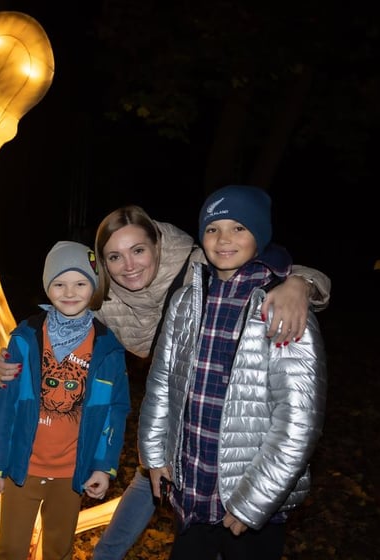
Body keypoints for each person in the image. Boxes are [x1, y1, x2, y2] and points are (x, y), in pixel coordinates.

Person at [0, 202, 331, 559]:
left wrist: (299, 284)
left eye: (138, 250)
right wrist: (7, 361)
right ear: (102, 264)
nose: (129, 266)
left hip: (228, 409)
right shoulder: (102, 298)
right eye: (114, 257)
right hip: (175, 406)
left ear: (157, 245)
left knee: (209, 511)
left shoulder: (198, 264)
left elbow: (265, 261)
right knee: (152, 478)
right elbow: (57, 320)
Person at [139, 184, 327, 559]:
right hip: (192, 490)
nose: (224, 239)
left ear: (260, 235)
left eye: (239, 227)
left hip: (248, 502)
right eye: (213, 229)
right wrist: (154, 454)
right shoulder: (186, 300)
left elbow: (297, 422)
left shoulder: (283, 310)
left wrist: (253, 502)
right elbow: (162, 383)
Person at [0, 241, 131, 560]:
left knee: (59, 549)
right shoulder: (25, 338)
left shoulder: (108, 348)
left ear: (93, 288)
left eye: (80, 284)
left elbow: (115, 413)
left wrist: (103, 467)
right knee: (9, 549)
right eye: (59, 284)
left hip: (72, 473)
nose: (69, 292)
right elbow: (3, 406)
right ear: (47, 288)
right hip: (23, 468)